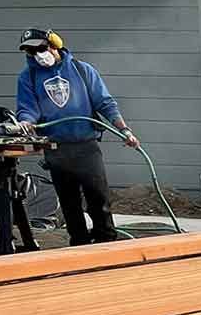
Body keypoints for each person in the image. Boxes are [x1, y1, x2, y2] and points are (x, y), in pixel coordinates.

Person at [14, 29, 139, 244]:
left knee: (98, 198)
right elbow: (28, 108)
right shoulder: (28, 77)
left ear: (54, 45)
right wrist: (26, 122)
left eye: (41, 49)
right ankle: (79, 243)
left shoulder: (82, 70)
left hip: (86, 146)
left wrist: (124, 130)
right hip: (56, 148)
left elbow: (105, 103)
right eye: (31, 52)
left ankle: (106, 241)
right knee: (69, 202)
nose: (37, 55)